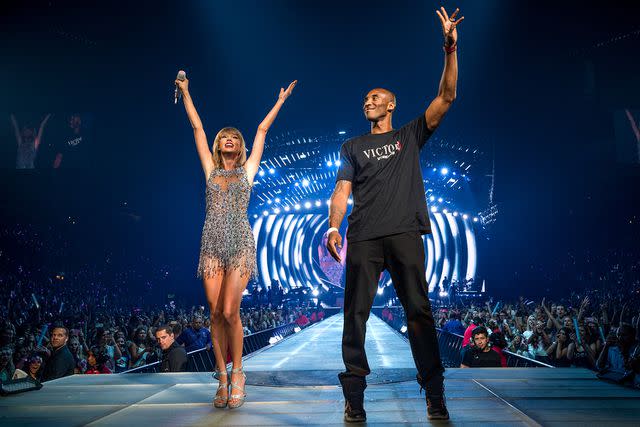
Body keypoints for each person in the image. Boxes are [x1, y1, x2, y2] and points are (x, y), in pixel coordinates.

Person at [326, 7, 463, 422]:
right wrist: (334, 226)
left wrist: (449, 48)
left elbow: (447, 97)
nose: (368, 101)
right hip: (364, 237)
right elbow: (341, 191)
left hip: (404, 232)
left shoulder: (409, 135)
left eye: (376, 97)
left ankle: (434, 394)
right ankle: (355, 397)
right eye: (366, 98)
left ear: (391, 105)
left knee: (418, 312)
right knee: (355, 316)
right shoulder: (352, 147)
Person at [175, 74, 296, 409]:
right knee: (214, 313)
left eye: (233, 137)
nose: (229, 139)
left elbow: (261, 131)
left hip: (240, 241)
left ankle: (239, 371)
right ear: (218, 144)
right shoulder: (210, 170)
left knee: (230, 311)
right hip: (211, 242)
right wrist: (186, 91)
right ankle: (222, 375)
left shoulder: (248, 171)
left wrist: (280, 102)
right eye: (224, 136)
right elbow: (198, 129)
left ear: (240, 146)